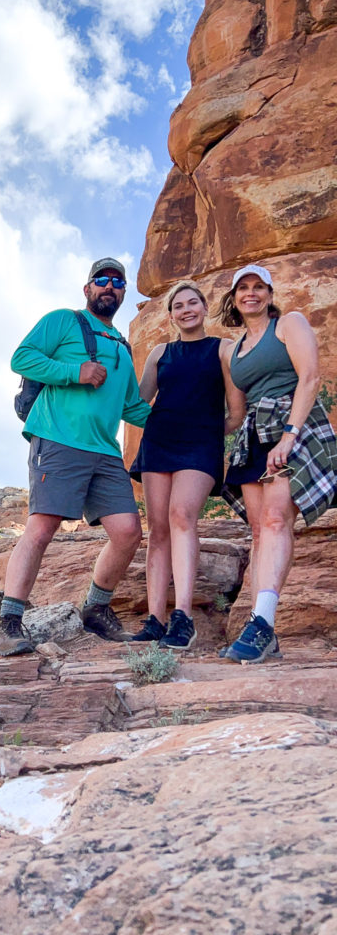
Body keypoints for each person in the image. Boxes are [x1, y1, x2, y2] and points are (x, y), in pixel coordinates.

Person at [0, 257, 151, 656]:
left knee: (129, 531)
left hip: (105, 451)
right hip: (59, 440)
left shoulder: (121, 346)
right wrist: (74, 371)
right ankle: (8, 623)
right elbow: (22, 358)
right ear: (87, 289)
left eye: (117, 282)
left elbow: (132, 406)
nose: (109, 287)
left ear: (123, 293)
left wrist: (183, 419)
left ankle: (96, 610)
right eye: (102, 280)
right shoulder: (64, 321)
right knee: (42, 528)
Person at [218, 264, 337, 662]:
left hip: (290, 425)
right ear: (233, 298)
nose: (250, 293)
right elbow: (235, 414)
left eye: (258, 287)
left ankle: (263, 624)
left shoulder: (289, 323)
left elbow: (310, 378)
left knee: (275, 520)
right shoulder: (234, 352)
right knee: (258, 531)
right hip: (253, 435)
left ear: (269, 293)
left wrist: (289, 436)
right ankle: (259, 627)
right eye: (243, 288)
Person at [128, 281, 246, 649]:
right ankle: (155, 620)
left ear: (204, 307)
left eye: (192, 302)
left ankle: (183, 617)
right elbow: (138, 400)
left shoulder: (223, 350)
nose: (186, 310)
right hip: (159, 442)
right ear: (171, 315)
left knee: (182, 515)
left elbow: (237, 412)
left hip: (199, 446)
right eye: (178, 305)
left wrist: (209, 432)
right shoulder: (160, 353)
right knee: (158, 529)